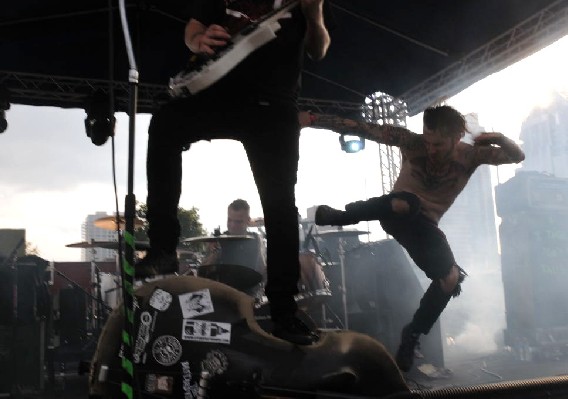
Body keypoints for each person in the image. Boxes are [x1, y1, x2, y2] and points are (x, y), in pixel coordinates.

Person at [139, 0, 331, 345]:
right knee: (165, 123)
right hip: (218, 93)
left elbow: (319, 49)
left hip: (274, 104)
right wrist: (197, 40)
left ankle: (285, 310)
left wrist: (314, 12)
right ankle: (162, 248)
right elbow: (192, 27)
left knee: (280, 205)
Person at [302, 105, 525, 370]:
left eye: (438, 145)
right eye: (428, 141)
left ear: (456, 138)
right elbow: (359, 128)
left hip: (425, 228)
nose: (430, 150)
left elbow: (516, 156)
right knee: (408, 202)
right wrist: (314, 118)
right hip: (396, 212)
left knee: (450, 278)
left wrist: (498, 138)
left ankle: (412, 336)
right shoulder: (410, 142)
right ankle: (339, 216)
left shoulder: (471, 156)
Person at [201, 199, 267, 289]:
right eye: (229, 220)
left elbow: (261, 269)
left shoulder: (256, 240)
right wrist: (214, 253)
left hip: (248, 292)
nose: (232, 225)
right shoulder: (218, 240)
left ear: (248, 220)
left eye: (238, 222)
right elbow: (203, 272)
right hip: (223, 291)